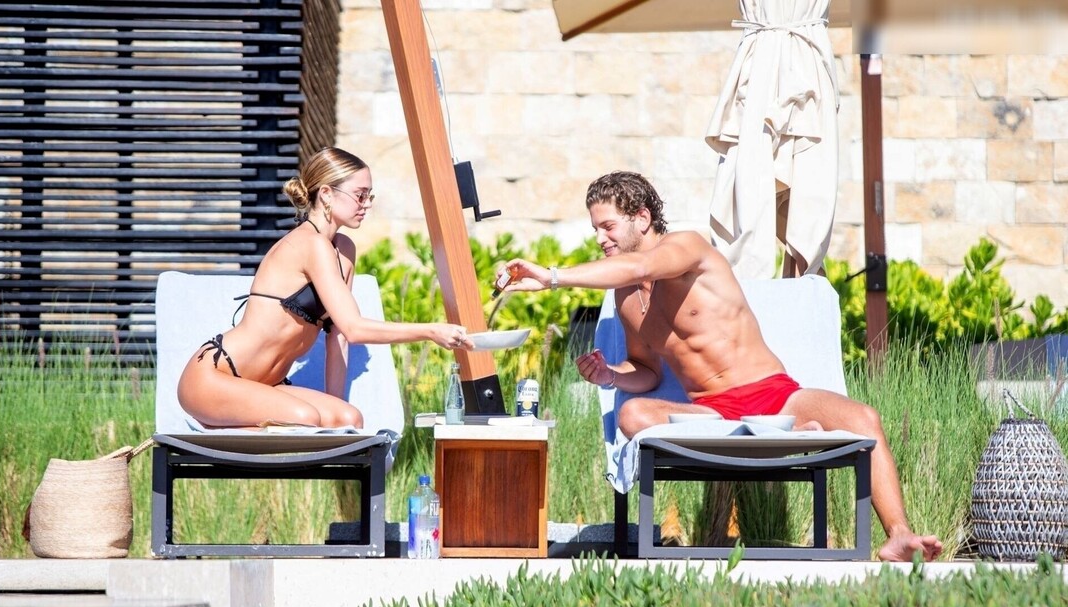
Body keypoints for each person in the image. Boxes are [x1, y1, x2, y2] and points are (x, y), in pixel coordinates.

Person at [501, 171, 943, 562]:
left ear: (642, 218)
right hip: (709, 412)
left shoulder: (686, 247)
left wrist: (551, 277)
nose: (600, 238)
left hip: (774, 394)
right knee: (632, 413)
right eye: (596, 229)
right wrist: (611, 375)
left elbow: (639, 264)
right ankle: (783, 433)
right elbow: (647, 370)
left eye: (608, 226)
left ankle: (898, 535)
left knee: (864, 418)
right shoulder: (626, 297)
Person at [177, 147, 473, 429]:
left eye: (370, 195)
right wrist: (431, 331)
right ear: (327, 194)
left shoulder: (344, 250)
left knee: (349, 419)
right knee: (305, 419)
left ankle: (234, 427)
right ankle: (208, 430)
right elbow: (355, 328)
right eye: (360, 195)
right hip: (214, 378)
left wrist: (336, 415)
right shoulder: (310, 243)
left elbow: (340, 335)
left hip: (263, 387)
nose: (367, 204)